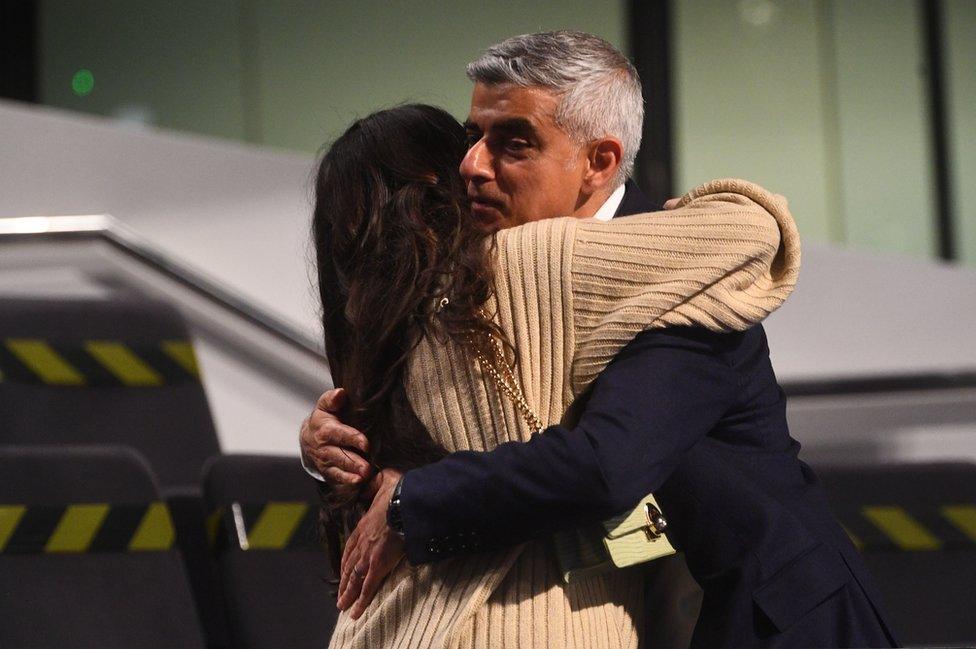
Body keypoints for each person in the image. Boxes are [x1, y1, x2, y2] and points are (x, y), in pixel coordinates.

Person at [305, 32, 897, 648]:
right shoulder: (504, 267)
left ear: (599, 162)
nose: (472, 165)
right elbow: (487, 430)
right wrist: (336, 440)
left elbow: (603, 465)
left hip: (767, 618)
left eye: (513, 143)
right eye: (473, 136)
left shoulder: (676, 274)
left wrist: (411, 505)